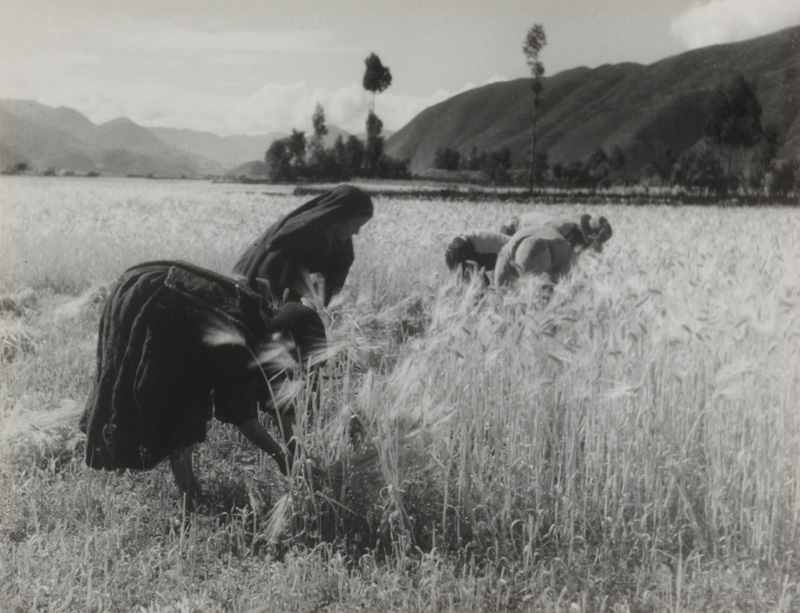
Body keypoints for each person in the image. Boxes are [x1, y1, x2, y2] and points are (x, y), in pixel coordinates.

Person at [79, 260, 327, 511]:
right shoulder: (240, 341)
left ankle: (190, 491)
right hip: (148, 301)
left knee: (184, 396)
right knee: (177, 406)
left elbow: (278, 401)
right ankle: (190, 495)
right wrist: (281, 456)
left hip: (151, 286)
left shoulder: (266, 323)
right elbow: (243, 419)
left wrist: (298, 455)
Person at [233, 185, 373, 306]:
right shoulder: (296, 236)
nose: (357, 232)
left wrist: (314, 310)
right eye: (355, 224)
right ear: (340, 217)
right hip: (255, 280)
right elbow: (278, 283)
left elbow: (331, 285)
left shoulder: (343, 247)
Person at [494, 215, 612, 287]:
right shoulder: (559, 228)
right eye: (587, 245)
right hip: (512, 230)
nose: (585, 250)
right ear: (582, 237)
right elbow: (534, 250)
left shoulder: (569, 238)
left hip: (527, 240)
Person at [444, 231, 510, 284]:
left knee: (470, 285)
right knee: (482, 285)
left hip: (458, 247)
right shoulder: (513, 246)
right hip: (463, 249)